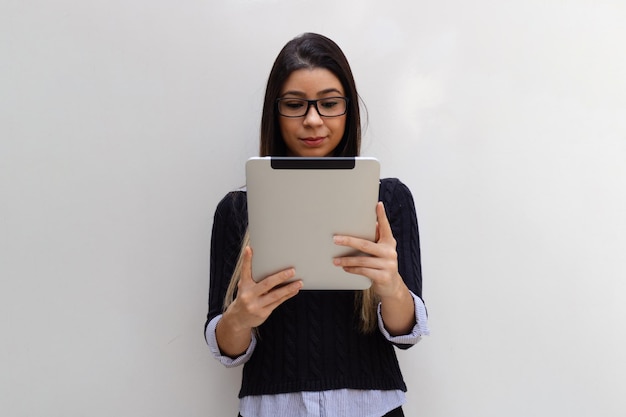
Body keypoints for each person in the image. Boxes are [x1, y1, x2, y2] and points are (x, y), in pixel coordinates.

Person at [205, 33, 429, 417]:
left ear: (349, 110)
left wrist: (391, 286)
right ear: (275, 112)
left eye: (329, 104)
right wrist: (240, 317)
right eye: (295, 105)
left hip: (371, 407)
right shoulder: (237, 210)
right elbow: (226, 347)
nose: (312, 119)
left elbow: (406, 334)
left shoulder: (389, 200)